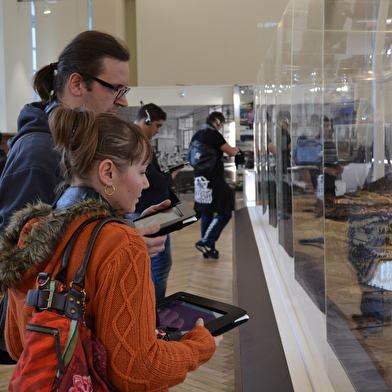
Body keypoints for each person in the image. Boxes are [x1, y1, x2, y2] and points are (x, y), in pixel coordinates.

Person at [0, 107, 222, 391]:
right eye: (141, 171)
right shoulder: (122, 243)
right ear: (107, 172)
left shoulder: (32, 230)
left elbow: (18, 344)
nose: (145, 183)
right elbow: (136, 371)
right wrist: (199, 345)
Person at [0, 30, 166, 363]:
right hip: (49, 342)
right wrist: (111, 246)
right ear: (78, 84)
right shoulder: (38, 154)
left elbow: (68, 232)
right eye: (115, 89)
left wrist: (117, 236)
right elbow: (18, 263)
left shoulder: (69, 146)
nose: (123, 101)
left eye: (125, 90)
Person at [129, 103, 182, 301]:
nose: (158, 131)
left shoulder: (137, 139)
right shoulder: (135, 140)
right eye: (157, 125)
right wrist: (170, 176)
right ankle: (155, 310)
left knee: (158, 263)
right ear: (147, 120)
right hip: (145, 212)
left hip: (147, 211)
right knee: (159, 264)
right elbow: (151, 178)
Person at [191, 111, 240, 259]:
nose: (220, 128)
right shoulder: (213, 135)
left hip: (199, 180)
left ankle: (208, 249)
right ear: (218, 122)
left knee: (207, 212)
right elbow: (231, 152)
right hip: (213, 180)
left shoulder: (197, 135)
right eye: (221, 125)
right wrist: (237, 149)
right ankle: (206, 241)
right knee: (226, 210)